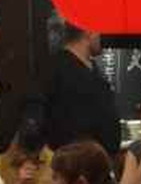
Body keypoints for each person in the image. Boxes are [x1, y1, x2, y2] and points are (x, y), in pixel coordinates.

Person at [41, 23, 120, 157]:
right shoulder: (57, 69)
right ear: (89, 32)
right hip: (74, 162)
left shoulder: (93, 68)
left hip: (101, 160)